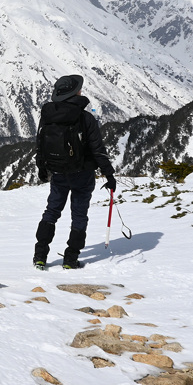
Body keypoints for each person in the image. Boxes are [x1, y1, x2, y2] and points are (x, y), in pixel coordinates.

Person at [33, 74, 117, 269]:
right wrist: (109, 175)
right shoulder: (85, 118)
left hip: (58, 173)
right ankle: (70, 259)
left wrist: (42, 167)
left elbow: (40, 144)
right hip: (83, 173)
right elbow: (98, 150)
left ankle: (40, 255)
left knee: (51, 212)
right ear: (75, 93)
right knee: (79, 215)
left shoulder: (47, 116)